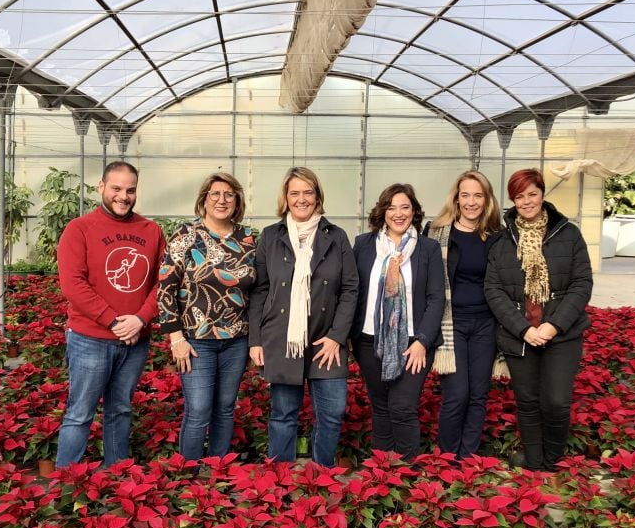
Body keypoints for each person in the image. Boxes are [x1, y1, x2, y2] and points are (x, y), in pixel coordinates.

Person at [55, 161, 165, 467]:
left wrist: (141, 318)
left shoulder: (151, 230)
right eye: (116, 188)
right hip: (90, 339)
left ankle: (116, 476)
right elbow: (73, 284)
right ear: (101, 187)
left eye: (130, 190)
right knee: (80, 413)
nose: (123, 196)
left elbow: (163, 282)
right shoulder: (79, 229)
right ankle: (67, 484)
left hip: (135, 340)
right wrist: (114, 321)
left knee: (121, 409)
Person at [248, 167, 357, 467]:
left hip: (326, 341)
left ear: (318, 196)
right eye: (294, 192)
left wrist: (337, 336)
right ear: (285, 197)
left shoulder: (335, 236)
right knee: (283, 414)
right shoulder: (272, 236)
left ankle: (323, 472)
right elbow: (260, 290)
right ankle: (281, 478)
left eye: (308, 192)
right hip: (282, 339)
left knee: (332, 413)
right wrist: (256, 340)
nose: (301, 199)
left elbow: (350, 289)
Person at [485, 168, 592, 473]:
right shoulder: (502, 240)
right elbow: (493, 289)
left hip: (562, 335)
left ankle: (553, 462)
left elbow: (581, 283)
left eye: (532, 194)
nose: (527, 201)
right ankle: (534, 466)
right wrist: (523, 328)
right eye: (519, 196)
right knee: (528, 403)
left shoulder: (568, 234)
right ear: (512, 200)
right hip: (520, 336)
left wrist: (553, 325)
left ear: (543, 194)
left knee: (556, 401)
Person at [158, 173, 256, 460]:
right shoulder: (186, 235)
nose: (221, 200)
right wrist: (176, 338)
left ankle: (217, 472)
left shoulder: (249, 239)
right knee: (199, 409)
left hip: (236, 340)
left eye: (229, 194)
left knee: (226, 407)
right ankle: (187, 477)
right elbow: (165, 287)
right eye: (215, 194)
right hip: (195, 341)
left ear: (237, 201)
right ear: (204, 199)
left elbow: (259, 288)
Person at [352, 184, 444, 460]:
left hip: (413, 344)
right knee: (380, 407)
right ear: (383, 212)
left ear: (414, 211)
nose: (398, 213)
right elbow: (352, 291)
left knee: (402, 406)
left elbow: (436, 298)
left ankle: (407, 471)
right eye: (391, 207)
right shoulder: (364, 245)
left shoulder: (428, 248)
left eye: (405, 207)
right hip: (369, 340)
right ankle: (382, 472)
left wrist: (423, 342)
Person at [427, 171, 503, 458]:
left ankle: (467, 459)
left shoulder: (496, 237)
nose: (471, 202)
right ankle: (447, 459)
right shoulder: (436, 235)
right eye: (465, 195)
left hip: (485, 323)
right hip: (451, 324)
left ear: (486, 200)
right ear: (456, 199)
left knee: (477, 395)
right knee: (457, 395)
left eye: (478, 195)